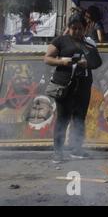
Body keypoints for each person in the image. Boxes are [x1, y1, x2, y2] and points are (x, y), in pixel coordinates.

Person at [44, 13, 100, 163]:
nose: (76, 31)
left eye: (79, 28)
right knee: (63, 119)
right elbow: (47, 58)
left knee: (79, 118)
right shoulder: (60, 41)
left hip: (83, 86)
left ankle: (77, 149)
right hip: (64, 86)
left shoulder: (89, 43)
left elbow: (97, 62)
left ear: (85, 28)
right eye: (73, 28)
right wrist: (63, 61)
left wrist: (86, 63)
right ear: (68, 28)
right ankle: (58, 152)